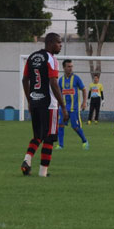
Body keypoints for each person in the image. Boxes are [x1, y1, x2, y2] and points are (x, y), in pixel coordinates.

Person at [20, 33, 68, 177]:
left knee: (37, 136)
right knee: (49, 137)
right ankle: (43, 172)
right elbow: (53, 83)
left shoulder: (32, 57)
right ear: (51, 43)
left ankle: (27, 160)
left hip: (35, 102)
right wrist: (63, 106)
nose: (61, 45)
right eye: (59, 43)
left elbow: (24, 80)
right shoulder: (51, 59)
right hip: (49, 105)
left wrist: (29, 101)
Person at [56, 59, 89, 150]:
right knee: (61, 125)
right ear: (64, 68)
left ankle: (85, 141)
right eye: (68, 66)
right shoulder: (61, 80)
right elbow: (58, 93)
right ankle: (61, 145)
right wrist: (58, 104)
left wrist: (84, 102)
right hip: (63, 108)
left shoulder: (76, 78)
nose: (70, 68)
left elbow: (84, 89)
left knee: (75, 127)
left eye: (71, 66)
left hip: (74, 108)